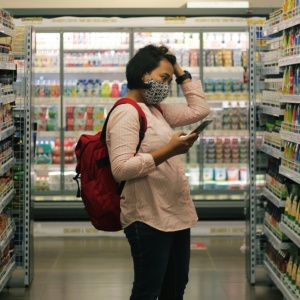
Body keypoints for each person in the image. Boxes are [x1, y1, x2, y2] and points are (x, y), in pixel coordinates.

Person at [106, 44, 210, 300]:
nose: (167, 85)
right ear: (144, 75)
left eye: (170, 81)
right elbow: (120, 169)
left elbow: (200, 110)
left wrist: (175, 67)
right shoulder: (126, 112)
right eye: (164, 78)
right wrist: (170, 150)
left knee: (175, 286)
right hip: (147, 218)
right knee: (148, 290)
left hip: (173, 214)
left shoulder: (156, 110)